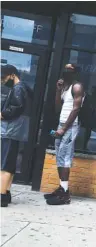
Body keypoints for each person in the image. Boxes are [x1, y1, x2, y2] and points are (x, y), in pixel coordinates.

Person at [44, 64, 84, 205]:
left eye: (70, 70)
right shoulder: (66, 88)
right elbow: (57, 108)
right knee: (60, 157)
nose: (66, 72)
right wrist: (58, 90)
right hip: (61, 125)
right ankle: (62, 188)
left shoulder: (77, 87)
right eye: (65, 69)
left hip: (70, 126)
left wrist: (64, 129)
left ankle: (65, 195)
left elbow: (76, 109)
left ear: (75, 73)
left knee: (65, 158)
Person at [1, 65, 32, 207]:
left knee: (4, 165)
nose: (2, 81)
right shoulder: (23, 88)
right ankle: (5, 194)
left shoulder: (18, 88)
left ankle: (1, 196)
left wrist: (2, 114)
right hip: (15, 131)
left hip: (11, 131)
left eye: (4, 78)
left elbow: (16, 107)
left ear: (12, 75)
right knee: (9, 164)